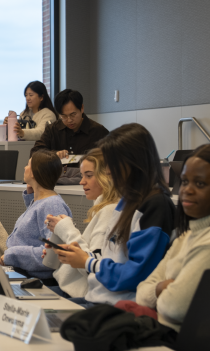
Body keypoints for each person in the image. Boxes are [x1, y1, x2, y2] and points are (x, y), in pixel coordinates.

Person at [49, 123, 175, 307]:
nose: (108, 170)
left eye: (112, 163)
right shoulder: (126, 202)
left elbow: (135, 275)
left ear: (131, 162)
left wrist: (87, 262)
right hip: (97, 298)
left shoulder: (156, 206)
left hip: (118, 307)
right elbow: (111, 259)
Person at [136, 143, 210, 331]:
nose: (187, 190)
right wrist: (162, 288)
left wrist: (159, 290)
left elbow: (174, 307)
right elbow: (141, 293)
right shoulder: (187, 235)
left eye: (200, 183)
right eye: (184, 181)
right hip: (166, 339)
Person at [43, 148, 121, 298]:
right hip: (72, 291)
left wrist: (66, 230)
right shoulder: (104, 209)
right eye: (82, 175)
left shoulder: (109, 211)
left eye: (89, 175)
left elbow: (92, 267)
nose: (81, 181)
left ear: (108, 177)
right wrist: (63, 252)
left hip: (81, 296)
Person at [0, 151, 71, 281]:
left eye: (28, 165)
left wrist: (12, 255)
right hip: (24, 274)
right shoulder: (44, 202)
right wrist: (31, 196)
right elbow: (33, 232)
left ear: (34, 172)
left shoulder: (52, 205)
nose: (25, 168)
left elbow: (52, 255)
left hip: (37, 281)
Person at [31, 88, 109, 158]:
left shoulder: (98, 131)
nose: (69, 120)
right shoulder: (52, 130)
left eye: (73, 115)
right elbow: (35, 152)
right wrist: (54, 154)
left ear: (82, 108)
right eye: (64, 116)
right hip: (58, 174)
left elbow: (112, 157)